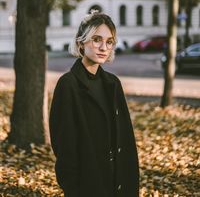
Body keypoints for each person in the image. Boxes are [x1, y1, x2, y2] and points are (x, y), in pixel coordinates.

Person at [49, 10, 139, 197]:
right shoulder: (68, 85)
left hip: (119, 183)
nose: (103, 47)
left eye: (109, 42)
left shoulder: (113, 84)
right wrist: (73, 189)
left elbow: (126, 139)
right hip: (88, 185)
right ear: (82, 42)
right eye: (97, 39)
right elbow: (64, 147)